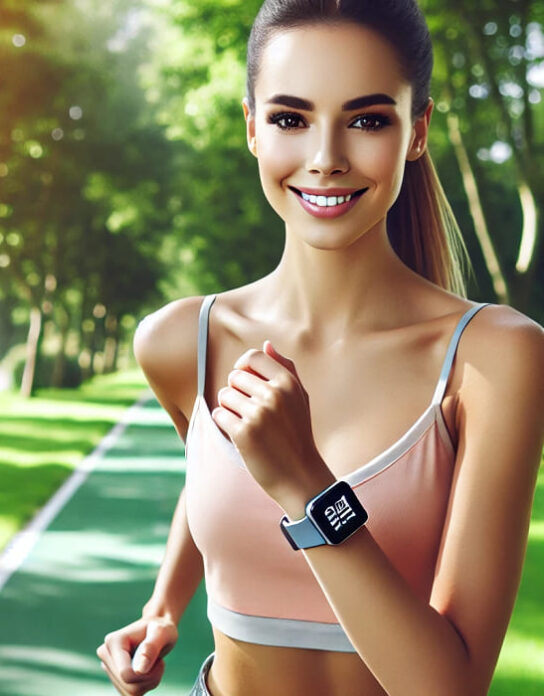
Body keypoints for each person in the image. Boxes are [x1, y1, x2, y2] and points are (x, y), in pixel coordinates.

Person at [96, 0, 544, 694]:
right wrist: (163, 606)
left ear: (417, 131)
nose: (326, 159)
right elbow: (208, 475)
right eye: (289, 118)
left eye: (366, 120)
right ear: (251, 127)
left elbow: (450, 688)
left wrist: (305, 485)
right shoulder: (183, 341)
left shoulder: (494, 358)